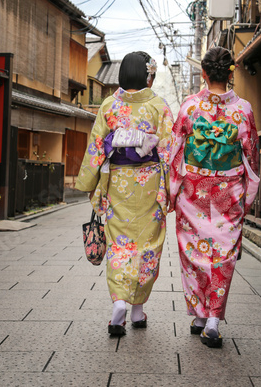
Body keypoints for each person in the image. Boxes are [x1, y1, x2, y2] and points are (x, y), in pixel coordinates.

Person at [76, 51, 173, 336]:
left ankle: (120, 304)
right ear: (147, 75)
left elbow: (96, 148)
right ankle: (138, 309)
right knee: (148, 245)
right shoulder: (159, 105)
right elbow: (168, 151)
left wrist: (88, 183)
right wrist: (172, 189)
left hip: (117, 182)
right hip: (150, 184)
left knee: (119, 245)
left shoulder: (109, 104)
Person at [169, 47, 259, 348]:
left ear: (204, 73)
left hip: (193, 191)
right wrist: (246, 197)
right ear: (230, 73)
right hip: (228, 191)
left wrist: (171, 191)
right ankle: (211, 319)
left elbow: (176, 152)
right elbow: (251, 156)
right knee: (222, 255)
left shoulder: (190, 107)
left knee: (193, 252)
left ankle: (200, 315)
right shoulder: (243, 110)